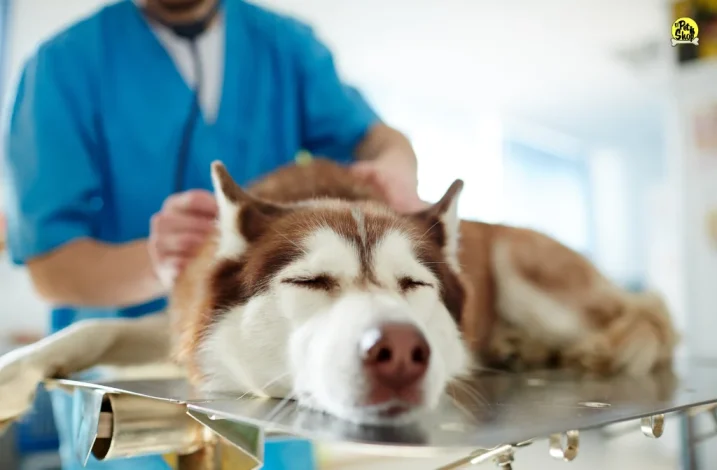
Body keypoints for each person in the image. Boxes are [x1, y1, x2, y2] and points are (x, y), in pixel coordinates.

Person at [1, 0, 424, 468]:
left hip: (273, 390)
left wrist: (394, 171)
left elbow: (381, 140)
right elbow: (51, 268)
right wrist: (159, 262)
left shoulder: (286, 46)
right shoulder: (62, 66)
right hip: (132, 393)